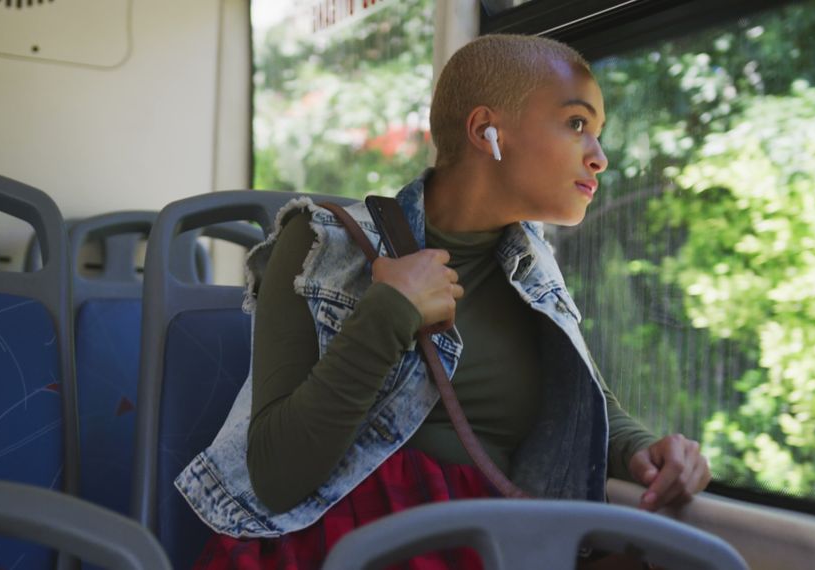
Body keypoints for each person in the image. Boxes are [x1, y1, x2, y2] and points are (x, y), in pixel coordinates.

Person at [176, 33, 711, 569]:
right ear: (487, 131)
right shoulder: (320, 244)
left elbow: (579, 398)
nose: (600, 157)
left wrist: (642, 451)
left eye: (597, 133)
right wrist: (389, 310)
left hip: (501, 542)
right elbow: (275, 476)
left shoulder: (534, 263)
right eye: (577, 124)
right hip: (360, 544)